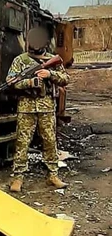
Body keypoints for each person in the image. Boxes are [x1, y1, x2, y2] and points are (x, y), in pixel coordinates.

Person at [7, 27, 70, 192]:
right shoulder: (20, 60)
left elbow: (65, 79)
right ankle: (17, 178)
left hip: (47, 106)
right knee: (22, 143)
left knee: (50, 141)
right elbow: (10, 82)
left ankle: (52, 175)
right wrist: (29, 83)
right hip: (26, 107)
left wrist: (49, 75)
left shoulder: (51, 59)